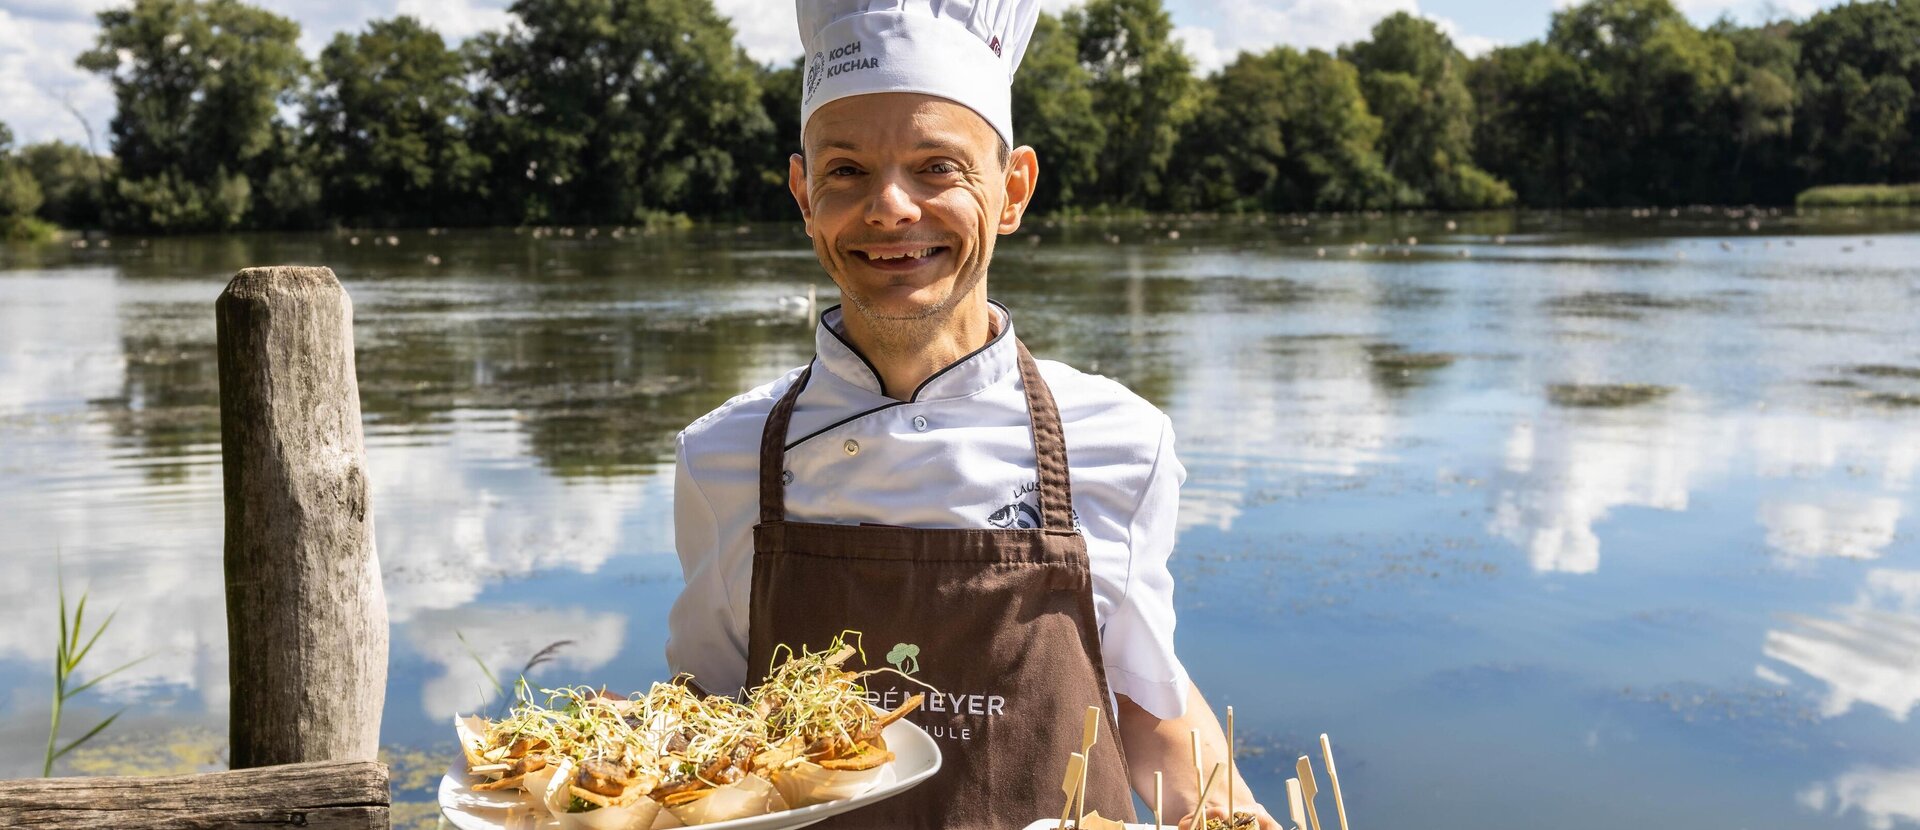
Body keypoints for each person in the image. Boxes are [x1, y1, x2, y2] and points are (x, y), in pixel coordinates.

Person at [668, 1, 1280, 827]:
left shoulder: (1121, 442)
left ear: (1013, 189)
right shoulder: (724, 456)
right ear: (803, 194)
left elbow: (1146, 707)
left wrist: (1231, 814)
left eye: (936, 167)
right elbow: (708, 720)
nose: (890, 207)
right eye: (845, 170)